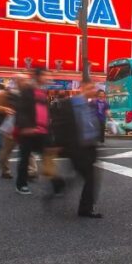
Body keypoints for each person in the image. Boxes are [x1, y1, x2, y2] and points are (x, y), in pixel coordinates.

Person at [52, 80, 103, 217]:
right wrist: (58, 144)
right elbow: (59, 124)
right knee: (90, 178)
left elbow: (91, 124)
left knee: (83, 176)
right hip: (76, 148)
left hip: (89, 147)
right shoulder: (70, 104)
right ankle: (85, 209)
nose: (93, 90)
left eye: (94, 87)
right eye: (90, 87)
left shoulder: (89, 105)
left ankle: (59, 186)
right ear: (82, 88)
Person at [14, 68, 64, 195]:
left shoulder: (42, 92)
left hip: (42, 131)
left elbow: (45, 113)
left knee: (47, 157)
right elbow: (21, 111)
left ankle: (56, 184)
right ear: (37, 76)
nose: (48, 78)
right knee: (24, 158)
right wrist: (26, 127)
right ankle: (21, 184)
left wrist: (50, 130)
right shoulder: (27, 91)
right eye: (45, 75)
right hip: (28, 132)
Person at [0, 81, 16, 178]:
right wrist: (5, 109)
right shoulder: (1, 95)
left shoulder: (25, 94)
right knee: (6, 149)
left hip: (22, 124)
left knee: (26, 148)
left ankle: (31, 172)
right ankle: (5, 170)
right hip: (8, 123)